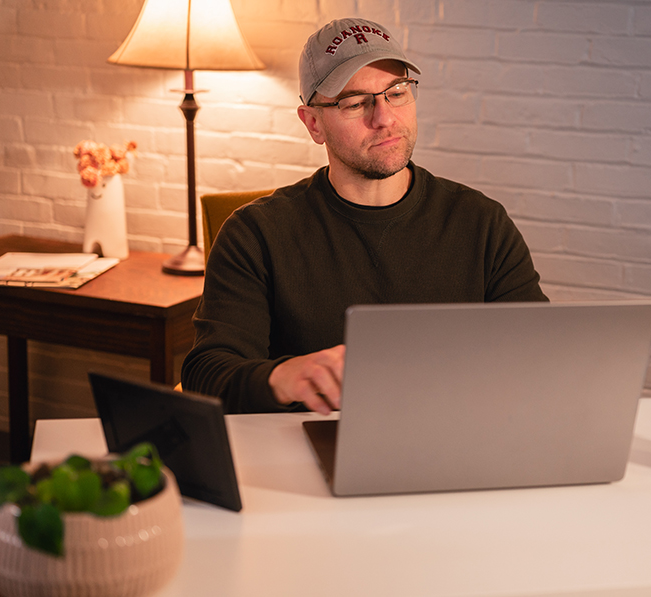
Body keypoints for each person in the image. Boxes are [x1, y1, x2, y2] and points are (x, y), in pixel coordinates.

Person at [181, 17, 547, 415]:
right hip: (307, 451)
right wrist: (284, 377)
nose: (384, 117)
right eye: (355, 103)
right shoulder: (256, 234)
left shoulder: (482, 223)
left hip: (457, 441)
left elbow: (541, 354)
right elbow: (206, 373)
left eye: (397, 92)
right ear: (313, 123)